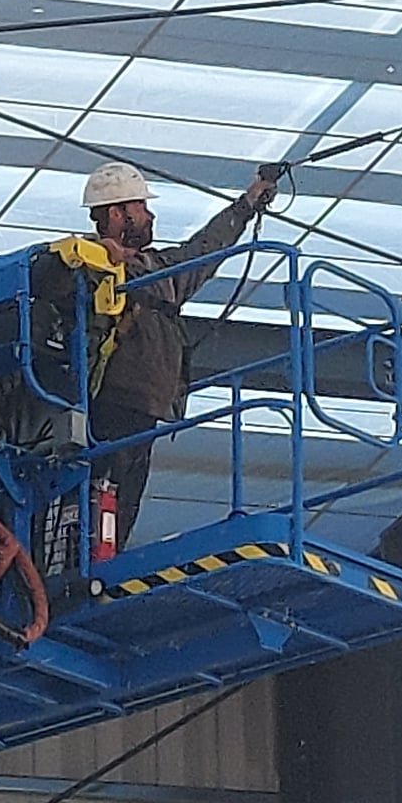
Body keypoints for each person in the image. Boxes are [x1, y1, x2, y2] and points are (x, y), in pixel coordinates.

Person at [78, 160, 278, 550]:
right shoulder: (86, 262)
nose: (149, 214)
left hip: (146, 410)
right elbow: (56, 273)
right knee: (100, 498)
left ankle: (105, 557)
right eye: (140, 206)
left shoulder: (159, 268)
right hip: (113, 402)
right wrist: (99, 256)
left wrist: (248, 203)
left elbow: (204, 249)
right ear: (117, 212)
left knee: (121, 506)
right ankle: (92, 561)